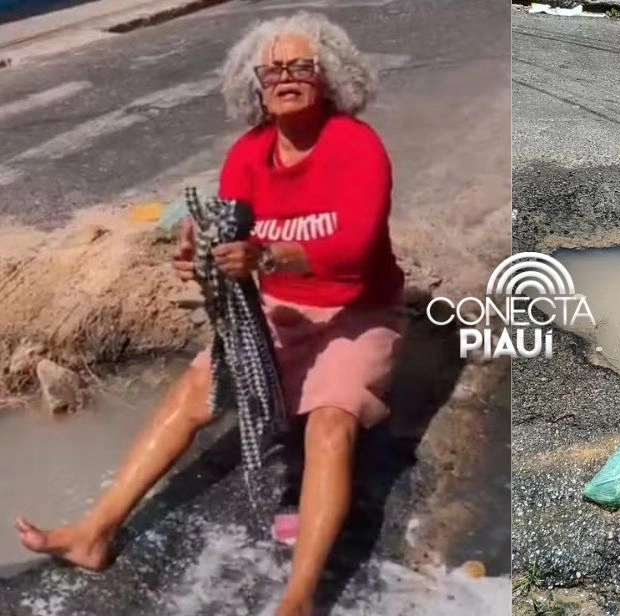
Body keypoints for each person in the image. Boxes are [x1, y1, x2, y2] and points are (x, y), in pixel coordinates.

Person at [14, 12, 406, 616]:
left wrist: (266, 253)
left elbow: (354, 252)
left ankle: (299, 599)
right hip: (276, 306)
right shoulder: (248, 154)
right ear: (254, 85)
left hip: (354, 310)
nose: (285, 78)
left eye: (300, 65)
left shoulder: (357, 146)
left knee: (331, 423)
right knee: (194, 388)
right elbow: (223, 227)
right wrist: (200, 255)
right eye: (272, 69)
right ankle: (96, 530)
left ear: (328, 76)